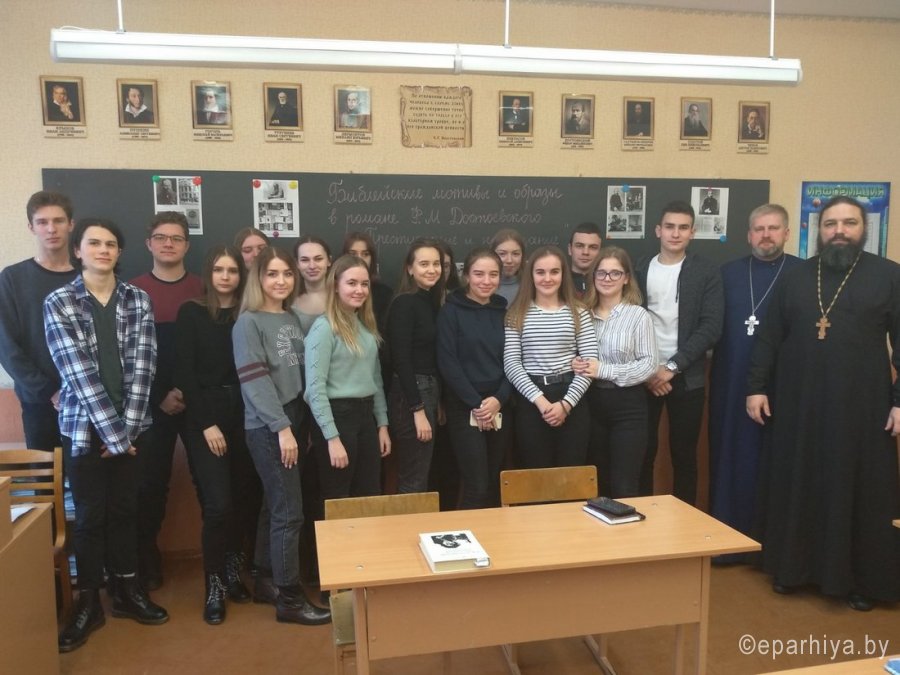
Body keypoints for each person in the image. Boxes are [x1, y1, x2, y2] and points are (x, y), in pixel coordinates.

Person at [747, 195, 900, 611]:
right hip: (799, 405)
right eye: (831, 224)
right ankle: (792, 569)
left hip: (862, 409)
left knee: (858, 490)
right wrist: (756, 387)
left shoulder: (888, 276)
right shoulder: (797, 277)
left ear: (864, 229)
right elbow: (770, 337)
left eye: (849, 223)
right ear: (819, 230)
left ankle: (862, 582)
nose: (839, 231)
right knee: (799, 482)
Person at [46, 218, 168, 653]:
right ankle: (88, 603)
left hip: (132, 431)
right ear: (78, 250)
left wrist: (125, 431)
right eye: (94, 243)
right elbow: (76, 371)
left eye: (111, 244)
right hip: (84, 432)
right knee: (90, 518)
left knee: (125, 513)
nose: (103, 250)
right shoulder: (60, 301)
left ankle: (127, 591)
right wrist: (114, 436)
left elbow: (144, 365)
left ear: (119, 252)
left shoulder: (137, 299)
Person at [232, 247, 330, 626]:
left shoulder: (288, 317)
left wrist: (300, 424)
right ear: (258, 278)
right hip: (270, 424)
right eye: (272, 274)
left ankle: (265, 578)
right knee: (290, 513)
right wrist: (282, 429)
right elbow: (255, 383)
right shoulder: (248, 323)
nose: (281, 281)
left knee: (274, 505)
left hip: (295, 418)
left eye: (287, 274)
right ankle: (289, 599)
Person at [709, 204, 799, 559]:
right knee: (731, 457)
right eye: (759, 229)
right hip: (730, 382)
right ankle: (728, 543)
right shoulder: (728, 273)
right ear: (749, 235)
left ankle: (772, 546)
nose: (766, 235)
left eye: (773, 228)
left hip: (783, 385)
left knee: (775, 462)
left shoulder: (803, 274)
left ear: (786, 233)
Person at [175, 245, 256, 624]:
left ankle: (233, 573)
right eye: (219, 269)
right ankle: (214, 587)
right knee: (218, 505)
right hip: (205, 416)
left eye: (233, 270)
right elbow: (185, 373)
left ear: (241, 276)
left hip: (245, 412)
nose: (226, 276)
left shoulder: (248, 315)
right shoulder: (191, 312)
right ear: (208, 274)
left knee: (243, 501)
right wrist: (207, 423)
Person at [130, 211, 203, 589]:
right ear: (149, 244)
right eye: (161, 237)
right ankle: (146, 561)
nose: (168, 244)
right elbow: (130, 355)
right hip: (150, 405)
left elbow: (209, 352)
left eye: (176, 238)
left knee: (209, 481)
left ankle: (221, 562)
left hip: (196, 403)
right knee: (149, 486)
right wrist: (160, 396)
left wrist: (186, 392)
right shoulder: (132, 291)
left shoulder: (203, 289)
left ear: (187, 245)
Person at [635, 201, 723, 505]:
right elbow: (628, 321)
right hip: (644, 377)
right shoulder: (639, 268)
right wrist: (650, 371)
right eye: (670, 227)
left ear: (692, 232)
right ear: (658, 230)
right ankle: (641, 517)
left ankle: (687, 522)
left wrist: (672, 367)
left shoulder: (707, 272)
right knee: (643, 452)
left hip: (687, 377)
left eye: (683, 228)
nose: (675, 233)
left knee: (684, 455)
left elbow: (711, 327)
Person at [305, 255, 391, 499]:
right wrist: (332, 438)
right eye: (351, 283)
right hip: (337, 418)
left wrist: (382, 425)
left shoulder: (365, 326)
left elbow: (375, 379)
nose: (359, 290)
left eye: (364, 284)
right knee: (338, 496)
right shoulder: (324, 328)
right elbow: (315, 390)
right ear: (335, 286)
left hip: (365, 417)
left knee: (370, 493)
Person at [573, 247, 657, 497]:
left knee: (624, 484)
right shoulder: (581, 314)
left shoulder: (638, 316)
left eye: (615, 273)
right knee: (595, 485)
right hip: (589, 404)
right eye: (601, 273)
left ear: (626, 278)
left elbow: (649, 364)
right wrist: (574, 362)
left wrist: (603, 369)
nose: (607, 279)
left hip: (628, 407)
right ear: (593, 277)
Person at [504, 246, 598, 468]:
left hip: (571, 398)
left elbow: (589, 363)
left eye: (554, 272)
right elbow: (511, 363)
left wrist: (565, 405)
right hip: (532, 400)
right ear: (531, 275)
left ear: (563, 274)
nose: (547, 278)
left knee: (571, 475)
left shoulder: (579, 312)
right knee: (536, 474)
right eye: (540, 272)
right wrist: (542, 403)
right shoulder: (516, 313)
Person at [0, 191, 77, 451]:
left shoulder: (89, 276)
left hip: (88, 399)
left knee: (88, 476)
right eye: (42, 222)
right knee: (45, 475)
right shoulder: (13, 278)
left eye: (59, 221)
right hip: (38, 401)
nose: (51, 229)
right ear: (31, 227)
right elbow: (6, 346)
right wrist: (48, 391)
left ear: (71, 224)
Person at [437, 248, 512, 508]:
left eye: (493, 275)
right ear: (467, 276)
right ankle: (466, 535)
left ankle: (491, 534)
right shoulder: (450, 312)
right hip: (465, 406)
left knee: (493, 482)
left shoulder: (504, 312)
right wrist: (478, 405)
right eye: (479, 274)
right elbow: (448, 363)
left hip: (499, 405)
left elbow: (513, 361)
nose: (486, 281)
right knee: (476, 485)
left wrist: (499, 399)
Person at [386, 239, 446, 493]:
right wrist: (418, 410)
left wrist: (437, 400)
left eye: (436, 264)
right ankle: (409, 521)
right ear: (410, 269)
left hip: (428, 390)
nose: (431, 269)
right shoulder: (404, 303)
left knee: (422, 474)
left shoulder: (430, 301)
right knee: (414, 478)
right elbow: (401, 360)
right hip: (411, 395)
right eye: (424, 264)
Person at [342, 231, 393, 334]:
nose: (359, 258)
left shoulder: (384, 293)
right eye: (353, 254)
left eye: (365, 254)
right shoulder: (336, 290)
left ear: (372, 259)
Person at [490, 228, 525, 304]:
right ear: (492, 255)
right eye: (502, 254)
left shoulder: (532, 286)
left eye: (515, 254)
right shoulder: (482, 286)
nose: (509, 260)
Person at [568, 221, 602, 296]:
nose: (585, 252)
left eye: (593, 247)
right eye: (579, 246)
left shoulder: (608, 283)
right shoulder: (558, 282)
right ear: (570, 249)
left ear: (600, 252)